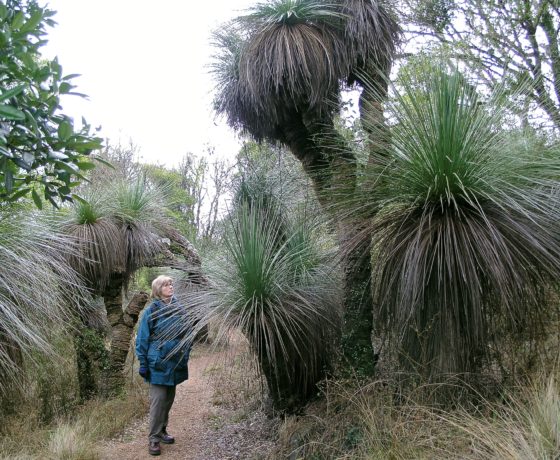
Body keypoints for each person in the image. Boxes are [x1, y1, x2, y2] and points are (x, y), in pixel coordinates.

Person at [136, 275, 191, 456]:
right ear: (158, 289)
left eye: (171, 284)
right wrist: (143, 363)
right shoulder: (152, 311)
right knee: (158, 401)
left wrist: (185, 355)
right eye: (166, 285)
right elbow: (143, 337)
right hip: (158, 362)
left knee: (168, 400)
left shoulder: (179, 308)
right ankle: (153, 439)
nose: (170, 287)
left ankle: (162, 430)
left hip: (175, 362)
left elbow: (188, 333)